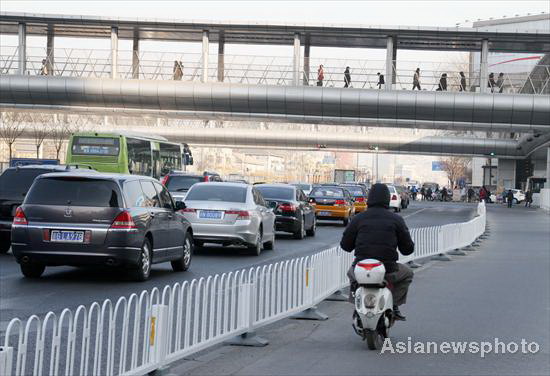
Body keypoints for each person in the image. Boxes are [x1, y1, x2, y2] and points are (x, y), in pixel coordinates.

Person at [340, 183, 414, 320]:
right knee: (408, 273)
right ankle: (395, 304)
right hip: (389, 270)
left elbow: (345, 245)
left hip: (361, 269)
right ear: (387, 198)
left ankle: (356, 304)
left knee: (351, 273)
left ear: (369, 198)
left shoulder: (358, 218)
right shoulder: (396, 220)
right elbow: (407, 249)